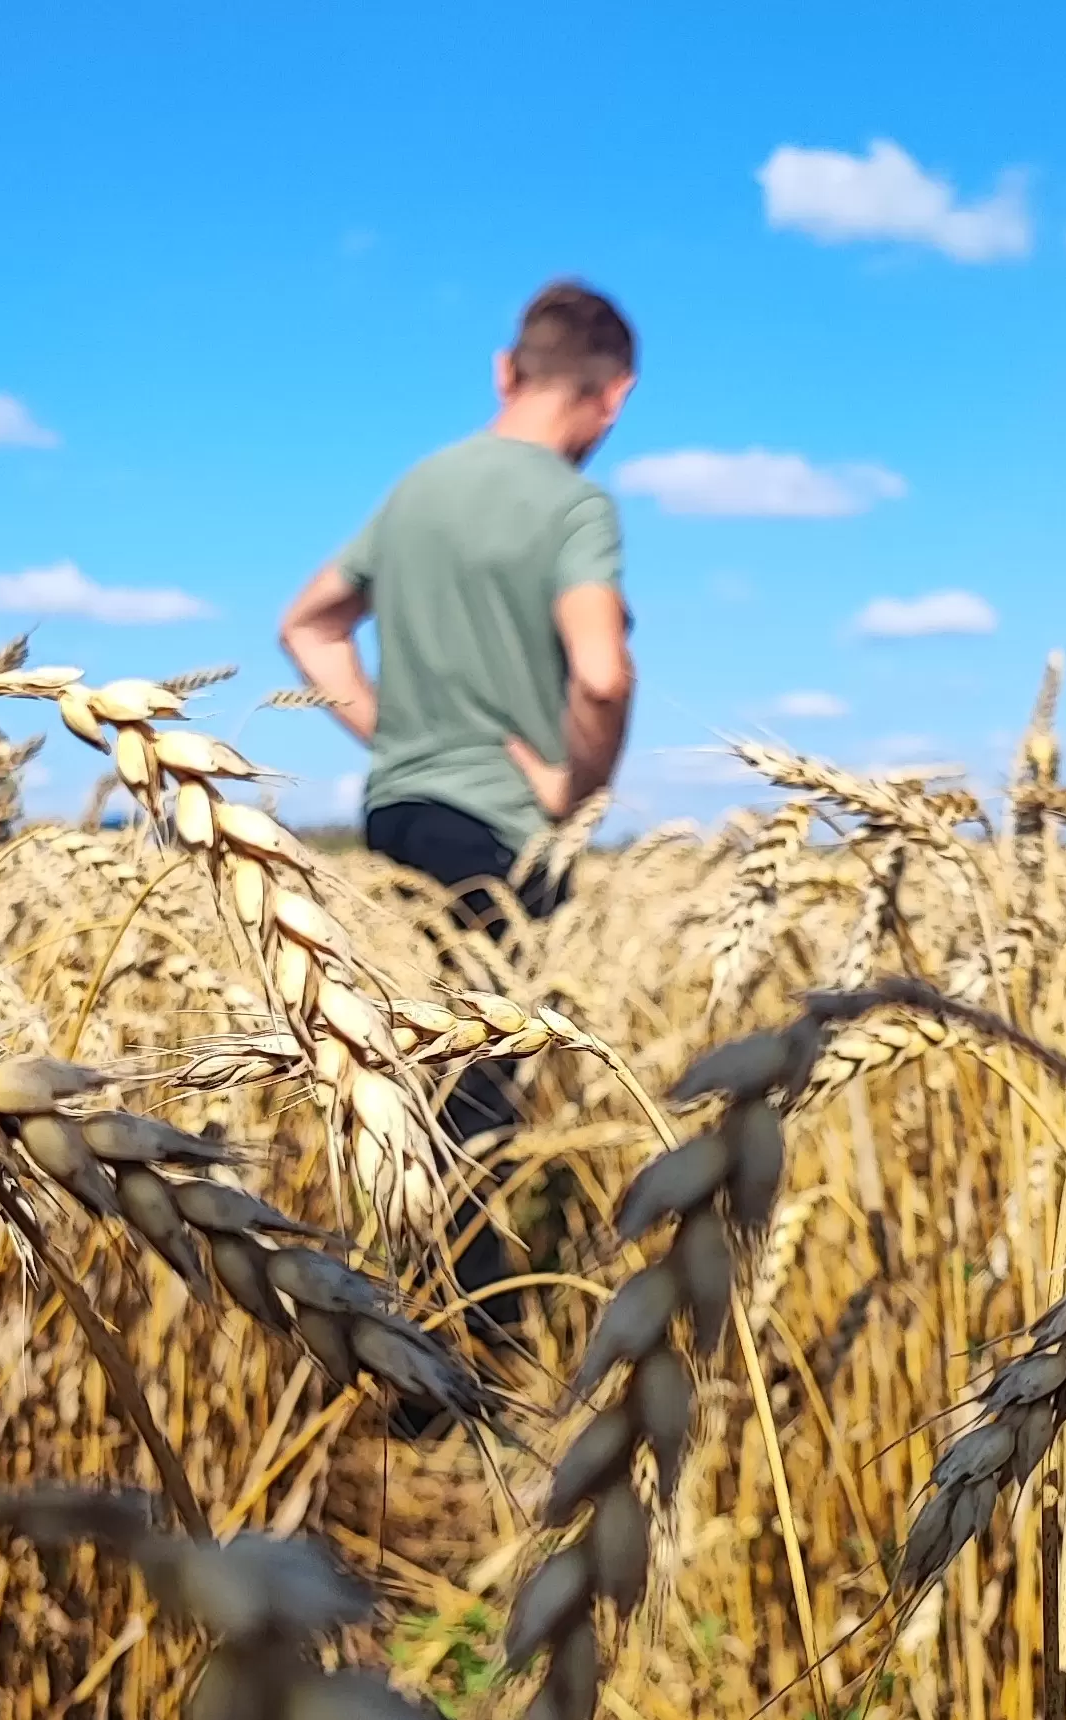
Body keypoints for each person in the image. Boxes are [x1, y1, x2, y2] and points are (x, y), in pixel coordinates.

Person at [279, 278, 638, 1351]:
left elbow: (308, 626)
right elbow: (604, 676)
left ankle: (398, 1325)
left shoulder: (417, 489)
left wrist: (395, 736)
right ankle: (463, 1360)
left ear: (503, 369)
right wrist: (572, 790)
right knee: (478, 1101)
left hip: (395, 821)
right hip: (501, 838)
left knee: (405, 1081)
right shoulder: (575, 508)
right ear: (612, 399)